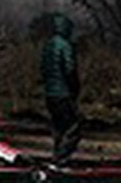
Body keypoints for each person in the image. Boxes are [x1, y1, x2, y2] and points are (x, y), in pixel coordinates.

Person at [39, 12, 81, 162]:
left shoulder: (47, 45)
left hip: (49, 93)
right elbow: (70, 70)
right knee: (73, 127)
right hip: (63, 93)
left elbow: (43, 70)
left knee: (58, 127)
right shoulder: (65, 45)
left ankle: (57, 155)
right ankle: (61, 158)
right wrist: (75, 88)